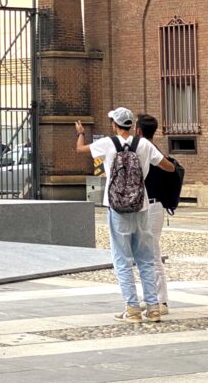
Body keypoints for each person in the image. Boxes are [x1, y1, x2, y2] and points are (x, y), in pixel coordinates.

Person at [75, 107, 176, 323]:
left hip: (117, 207)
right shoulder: (144, 144)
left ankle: (132, 309)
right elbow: (168, 168)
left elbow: (80, 149)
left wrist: (80, 132)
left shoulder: (108, 143)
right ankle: (153, 308)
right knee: (146, 259)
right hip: (141, 206)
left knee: (122, 259)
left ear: (114, 124)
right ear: (132, 125)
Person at [136, 113, 171, 315]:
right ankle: (153, 298)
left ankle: (160, 300)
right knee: (147, 253)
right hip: (152, 205)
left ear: (138, 131)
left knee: (152, 253)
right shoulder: (151, 149)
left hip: (152, 205)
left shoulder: (148, 151)